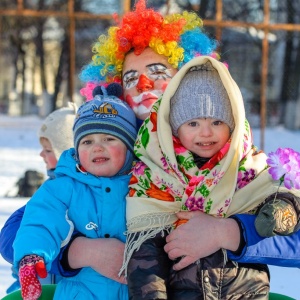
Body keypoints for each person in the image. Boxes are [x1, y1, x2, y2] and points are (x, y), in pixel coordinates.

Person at [60, 0, 300, 280]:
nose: (144, 85)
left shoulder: (233, 157)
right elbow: (20, 229)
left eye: (158, 73)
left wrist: (231, 232)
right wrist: (81, 251)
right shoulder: (99, 158)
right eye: (131, 78)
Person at [121, 56, 300, 299]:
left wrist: (282, 211)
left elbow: (283, 198)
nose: (206, 133)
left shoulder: (252, 168)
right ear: (174, 128)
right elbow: (145, 258)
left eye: (217, 121)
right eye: (192, 123)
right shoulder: (156, 179)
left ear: (234, 123)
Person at [12, 85, 137, 300]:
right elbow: (41, 220)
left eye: (109, 139)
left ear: (129, 148)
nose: (97, 147)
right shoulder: (63, 188)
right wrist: (31, 255)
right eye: (87, 141)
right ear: (76, 151)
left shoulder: (145, 184)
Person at [0, 103, 77, 293]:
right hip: (38, 285)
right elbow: (14, 238)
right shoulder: (50, 189)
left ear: (67, 150)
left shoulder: (68, 192)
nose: (41, 154)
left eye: (49, 150)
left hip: (61, 287)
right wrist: (16, 289)